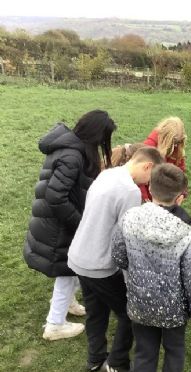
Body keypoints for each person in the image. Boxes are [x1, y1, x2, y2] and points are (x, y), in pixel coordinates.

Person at [111, 163, 191, 372]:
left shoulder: (129, 218)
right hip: (174, 309)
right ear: (180, 197)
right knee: (175, 350)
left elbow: (118, 256)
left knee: (144, 351)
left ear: (149, 188)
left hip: (140, 302)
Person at [68, 147, 164, 372]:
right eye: (151, 178)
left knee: (96, 310)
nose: (149, 184)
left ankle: (95, 358)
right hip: (100, 264)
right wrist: (132, 279)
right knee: (131, 312)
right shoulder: (129, 191)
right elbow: (127, 238)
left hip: (78, 256)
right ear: (147, 166)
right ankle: (117, 362)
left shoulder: (107, 174)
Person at [23, 110, 116, 340]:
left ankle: (67, 302)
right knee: (67, 268)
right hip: (58, 225)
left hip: (57, 221)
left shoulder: (70, 147)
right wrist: (80, 222)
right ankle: (55, 324)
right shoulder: (72, 156)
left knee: (71, 265)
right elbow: (56, 197)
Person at [140, 116, 187, 201]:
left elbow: (180, 171)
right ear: (165, 137)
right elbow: (139, 174)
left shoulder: (177, 147)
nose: (176, 145)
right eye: (174, 142)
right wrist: (145, 198)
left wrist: (182, 193)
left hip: (165, 196)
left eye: (178, 142)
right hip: (150, 195)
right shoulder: (149, 147)